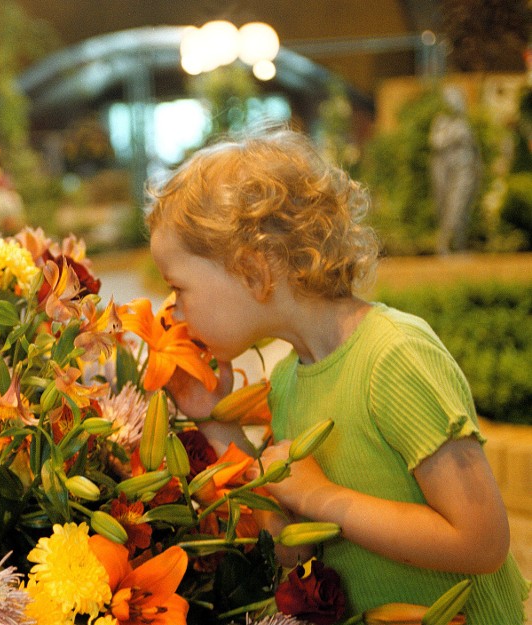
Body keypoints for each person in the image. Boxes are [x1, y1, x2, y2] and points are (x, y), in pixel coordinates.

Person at [146, 127, 528, 623]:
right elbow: (291, 553)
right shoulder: (288, 381)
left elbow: (481, 542)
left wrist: (322, 497)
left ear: (254, 269)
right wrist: (217, 425)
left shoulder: (394, 356)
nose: (172, 311)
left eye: (179, 287)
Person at [429, 87, 482, 255]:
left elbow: (474, 151)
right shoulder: (441, 123)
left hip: (464, 170)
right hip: (446, 170)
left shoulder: (464, 125)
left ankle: (457, 244)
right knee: (447, 206)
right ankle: (446, 244)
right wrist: (453, 137)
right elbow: (436, 142)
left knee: (459, 205)